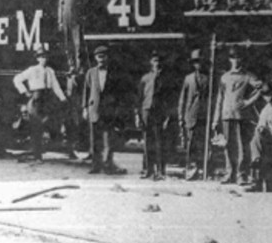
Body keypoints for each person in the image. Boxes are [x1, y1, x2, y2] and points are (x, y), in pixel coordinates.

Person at [213, 46, 263, 184]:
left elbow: (261, 88)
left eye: (238, 58)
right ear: (230, 60)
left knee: (241, 145)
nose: (236, 61)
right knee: (228, 145)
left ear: (241, 59)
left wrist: (248, 102)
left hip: (241, 115)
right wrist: (215, 119)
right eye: (233, 58)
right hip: (226, 114)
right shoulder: (224, 77)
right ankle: (229, 173)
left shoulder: (247, 76)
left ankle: (241, 174)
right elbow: (220, 99)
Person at [13, 46, 67, 162]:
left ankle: (45, 148)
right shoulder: (32, 70)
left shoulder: (50, 71)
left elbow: (55, 86)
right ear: (37, 58)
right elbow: (17, 79)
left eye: (45, 57)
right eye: (41, 57)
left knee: (48, 123)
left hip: (48, 99)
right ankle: (37, 155)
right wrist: (25, 92)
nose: (44, 59)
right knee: (36, 126)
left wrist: (62, 98)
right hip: (36, 99)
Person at [82, 45, 128, 175]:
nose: (101, 59)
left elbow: (119, 93)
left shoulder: (114, 73)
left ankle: (108, 165)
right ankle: (96, 165)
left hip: (109, 110)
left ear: (107, 58)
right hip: (94, 109)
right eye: (99, 57)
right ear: (95, 58)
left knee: (108, 139)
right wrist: (85, 108)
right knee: (95, 140)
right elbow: (86, 91)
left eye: (104, 57)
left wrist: (117, 109)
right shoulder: (90, 72)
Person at [136, 50, 173, 180]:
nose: (157, 63)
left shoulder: (165, 79)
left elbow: (169, 99)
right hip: (146, 111)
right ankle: (148, 169)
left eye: (159, 61)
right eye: (154, 61)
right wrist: (138, 115)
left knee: (159, 142)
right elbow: (139, 97)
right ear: (150, 62)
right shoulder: (145, 78)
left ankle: (160, 171)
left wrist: (167, 116)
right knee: (147, 141)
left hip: (159, 112)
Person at [179, 49, 210, 181]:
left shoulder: (208, 78)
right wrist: (181, 116)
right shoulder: (188, 78)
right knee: (190, 144)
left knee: (203, 143)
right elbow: (183, 98)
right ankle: (191, 168)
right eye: (196, 62)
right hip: (191, 115)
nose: (198, 64)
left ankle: (202, 168)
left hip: (203, 115)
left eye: (200, 62)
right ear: (193, 64)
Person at [57, 0, 84, 71]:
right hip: (65, 18)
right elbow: (60, 5)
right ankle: (71, 65)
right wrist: (60, 21)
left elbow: (83, 1)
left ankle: (79, 66)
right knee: (68, 44)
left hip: (76, 18)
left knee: (78, 44)